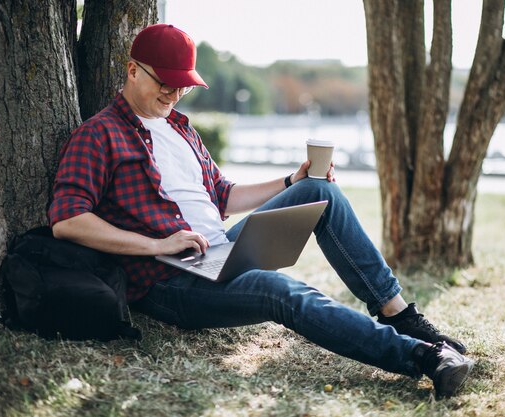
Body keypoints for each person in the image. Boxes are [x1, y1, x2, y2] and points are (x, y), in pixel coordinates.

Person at [49, 24, 473, 398]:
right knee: (281, 291)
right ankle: (423, 358)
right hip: (169, 281)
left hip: (218, 252)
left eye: (183, 87)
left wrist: (292, 181)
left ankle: (400, 316)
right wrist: (158, 243)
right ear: (132, 69)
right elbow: (67, 220)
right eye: (165, 83)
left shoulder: (181, 128)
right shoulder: (98, 135)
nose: (173, 94)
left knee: (318, 189)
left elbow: (223, 196)